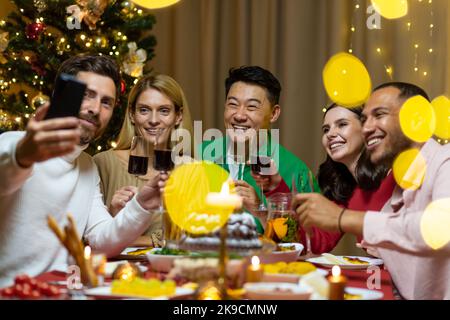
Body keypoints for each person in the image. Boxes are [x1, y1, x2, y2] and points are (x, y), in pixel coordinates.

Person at [0, 55, 165, 287]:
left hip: (63, 290)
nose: (95, 109)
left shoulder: (87, 166)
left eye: (106, 102)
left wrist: (142, 205)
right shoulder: (13, 143)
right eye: (86, 95)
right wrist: (24, 154)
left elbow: (101, 240)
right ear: (62, 96)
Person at [293, 82, 450, 299]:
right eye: (365, 119)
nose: (366, 128)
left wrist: (345, 218)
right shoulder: (398, 195)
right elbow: (410, 279)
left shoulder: (445, 160)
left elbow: (441, 228)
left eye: (380, 114)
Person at [200, 66, 319, 233]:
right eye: (233, 104)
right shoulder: (199, 156)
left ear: (274, 113)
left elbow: (308, 242)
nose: (239, 115)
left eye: (251, 107)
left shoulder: (296, 172)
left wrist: (260, 210)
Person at [93, 73, 193, 247]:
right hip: (113, 272)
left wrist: (144, 241)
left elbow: (195, 240)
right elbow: (92, 237)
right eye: (144, 110)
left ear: (178, 117)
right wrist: (113, 215)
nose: (153, 120)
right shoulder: (103, 164)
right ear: (132, 115)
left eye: (164, 111)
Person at [301, 104, 395, 254]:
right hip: (378, 276)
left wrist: (392, 253)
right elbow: (316, 243)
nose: (330, 134)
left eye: (342, 124)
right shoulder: (345, 190)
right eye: (326, 129)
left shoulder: (396, 176)